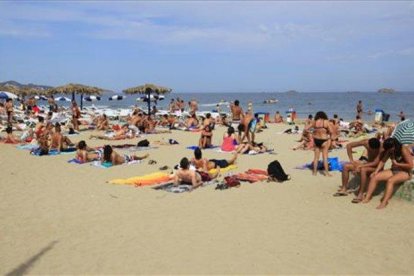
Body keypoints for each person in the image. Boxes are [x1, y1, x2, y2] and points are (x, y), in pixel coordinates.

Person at [362, 138, 413, 209]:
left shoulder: (403, 150)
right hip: (394, 170)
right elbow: (383, 161)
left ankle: (384, 202)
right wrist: (376, 171)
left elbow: (410, 165)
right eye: (388, 149)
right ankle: (368, 197)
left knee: (390, 181)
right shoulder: (390, 150)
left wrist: (397, 164)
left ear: (395, 145)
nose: (389, 150)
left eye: (390, 148)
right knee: (375, 177)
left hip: (405, 172)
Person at [306, 111, 333, 176]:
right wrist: (328, 134)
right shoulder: (326, 122)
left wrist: (312, 133)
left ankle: (314, 172)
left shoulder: (314, 122)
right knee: (325, 157)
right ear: (324, 116)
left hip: (316, 140)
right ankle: (326, 173)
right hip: (324, 140)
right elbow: (331, 131)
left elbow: (306, 128)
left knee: (316, 158)